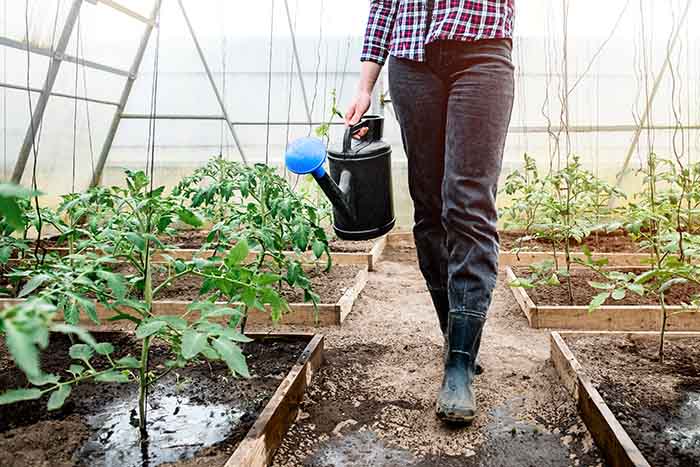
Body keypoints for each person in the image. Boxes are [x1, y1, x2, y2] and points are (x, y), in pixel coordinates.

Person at [345, 0, 515, 424]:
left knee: (469, 204)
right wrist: (366, 85)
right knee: (429, 206)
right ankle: (454, 335)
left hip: (481, 51)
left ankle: (459, 366)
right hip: (411, 61)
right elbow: (383, 7)